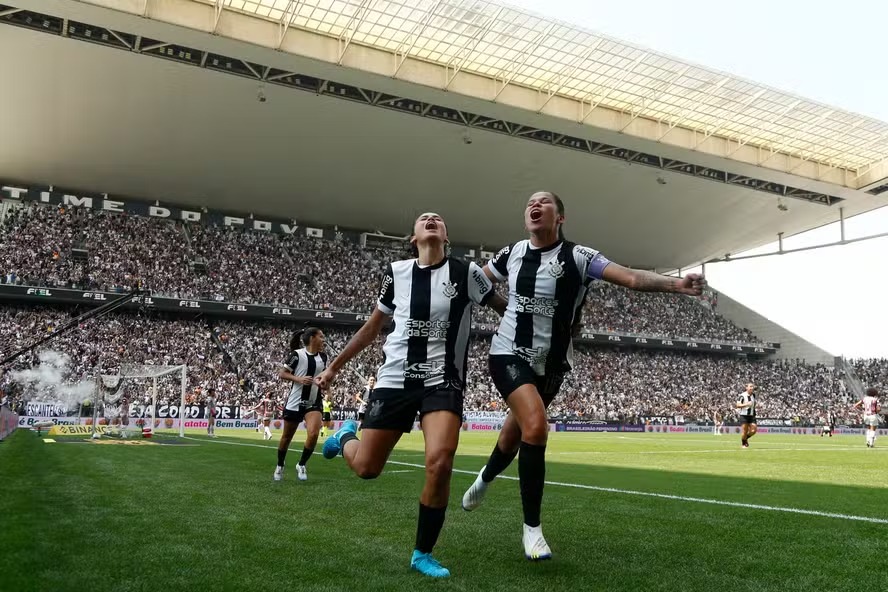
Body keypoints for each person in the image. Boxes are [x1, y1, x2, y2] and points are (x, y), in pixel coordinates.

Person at [459, 191, 706, 561]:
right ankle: (532, 531)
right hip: (507, 352)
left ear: (560, 217)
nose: (534, 205)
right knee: (537, 427)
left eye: (544, 202)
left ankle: (486, 477)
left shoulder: (578, 256)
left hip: (552, 364)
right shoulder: (511, 253)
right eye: (530, 202)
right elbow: (473, 279)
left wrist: (677, 285)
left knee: (515, 433)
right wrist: (497, 305)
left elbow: (632, 278)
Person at [315, 212, 503, 578]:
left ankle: (422, 553)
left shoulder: (467, 274)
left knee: (441, 461)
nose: (431, 219)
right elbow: (373, 328)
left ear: (446, 236)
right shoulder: (397, 272)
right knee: (368, 469)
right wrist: (334, 366)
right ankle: (346, 437)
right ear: (414, 238)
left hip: (442, 379)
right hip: (395, 379)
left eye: (438, 218)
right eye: (423, 219)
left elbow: (505, 310)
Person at [275, 327, 328, 482]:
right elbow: (282, 373)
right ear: (312, 338)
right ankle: (280, 465)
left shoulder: (323, 357)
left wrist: (326, 384)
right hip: (295, 401)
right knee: (286, 438)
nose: (323, 339)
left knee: (313, 434)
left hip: (314, 401)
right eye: (321, 336)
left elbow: (324, 377)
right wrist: (299, 379)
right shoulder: (297, 355)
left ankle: (302, 464)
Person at [736, 383, 757, 448]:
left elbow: (753, 404)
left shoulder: (753, 395)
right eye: (750, 386)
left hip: (752, 415)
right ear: (746, 388)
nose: (751, 388)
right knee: (744, 431)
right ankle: (743, 443)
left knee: (753, 430)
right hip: (744, 415)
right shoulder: (742, 396)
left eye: (752, 387)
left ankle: (745, 439)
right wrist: (746, 404)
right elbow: (738, 405)